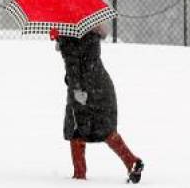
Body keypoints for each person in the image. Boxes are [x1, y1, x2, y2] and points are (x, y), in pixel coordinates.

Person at [55, 23, 144, 182]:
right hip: (101, 87)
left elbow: (74, 68)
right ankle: (131, 161)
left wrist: (76, 90)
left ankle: (79, 175)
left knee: (76, 130)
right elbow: (85, 63)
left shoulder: (68, 37)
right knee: (105, 129)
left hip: (85, 90)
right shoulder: (90, 30)